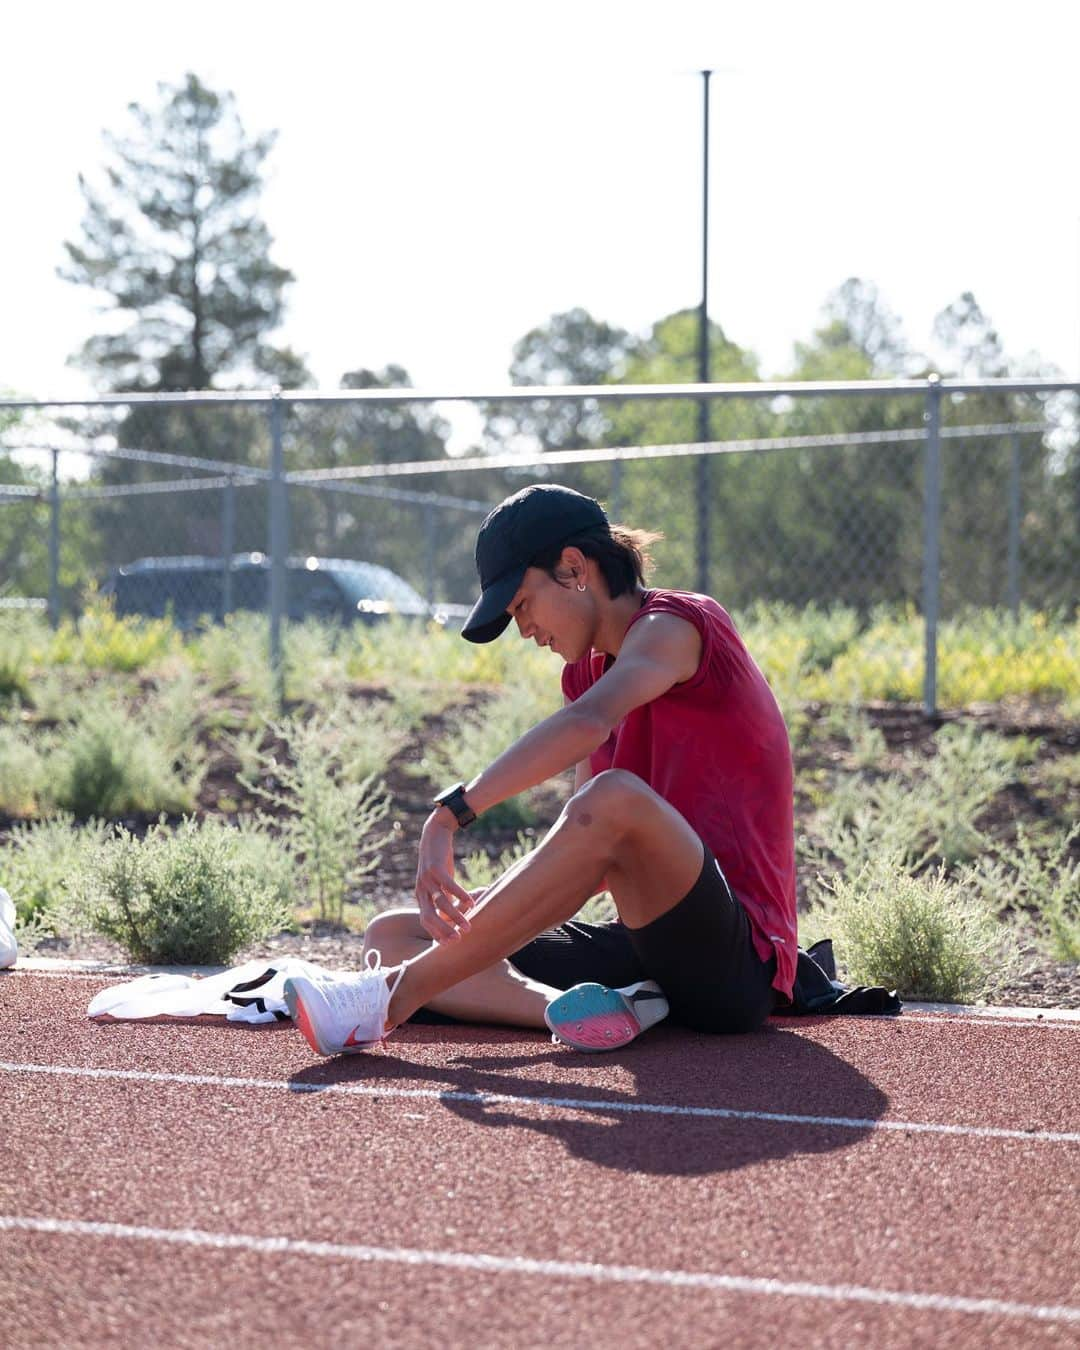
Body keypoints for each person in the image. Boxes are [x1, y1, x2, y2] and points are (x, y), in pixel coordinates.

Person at [283, 483, 798, 1056]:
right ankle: (603, 1011)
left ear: (574, 567)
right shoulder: (582, 674)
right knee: (395, 932)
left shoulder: (679, 625)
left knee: (614, 796)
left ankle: (387, 1002)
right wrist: (497, 907)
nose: (524, 630)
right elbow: (587, 858)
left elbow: (591, 727)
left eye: (522, 604)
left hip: (736, 962)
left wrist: (449, 815)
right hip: (646, 949)